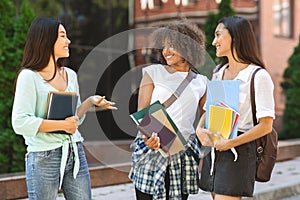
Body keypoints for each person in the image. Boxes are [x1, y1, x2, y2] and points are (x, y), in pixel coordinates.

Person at [11, 17, 116, 200]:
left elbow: (73, 120)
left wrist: (90, 101)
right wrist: (61, 125)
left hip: (74, 151)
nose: (68, 41)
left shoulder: (70, 75)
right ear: (46, 39)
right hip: (44, 156)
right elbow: (20, 122)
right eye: (62, 36)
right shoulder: (29, 77)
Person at [196, 16, 275, 200]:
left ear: (236, 37)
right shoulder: (218, 72)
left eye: (218, 35)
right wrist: (200, 128)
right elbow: (209, 110)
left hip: (238, 151)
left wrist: (230, 143)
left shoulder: (257, 76)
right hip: (214, 150)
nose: (214, 42)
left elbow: (266, 126)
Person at [129, 20, 207, 200]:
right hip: (151, 147)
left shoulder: (201, 82)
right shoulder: (153, 72)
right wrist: (148, 138)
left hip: (183, 151)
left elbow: (205, 118)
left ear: (187, 47)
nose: (166, 51)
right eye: (164, 46)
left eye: (172, 45)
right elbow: (143, 112)